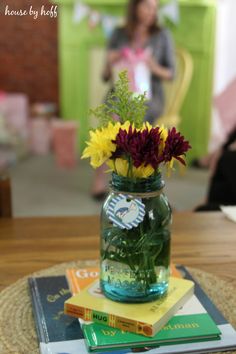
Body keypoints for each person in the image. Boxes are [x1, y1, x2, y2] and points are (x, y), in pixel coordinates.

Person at [92, 0, 175, 200]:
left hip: (149, 95)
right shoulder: (118, 33)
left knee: (136, 120)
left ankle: (137, 178)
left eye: (155, 8)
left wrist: (152, 65)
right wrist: (110, 62)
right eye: (147, 6)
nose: (152, 12)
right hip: (119, 92)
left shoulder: (162, 35)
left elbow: (171, 74)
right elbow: (105, 76)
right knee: (111, 117)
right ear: (135, 6)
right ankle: (101, 179)